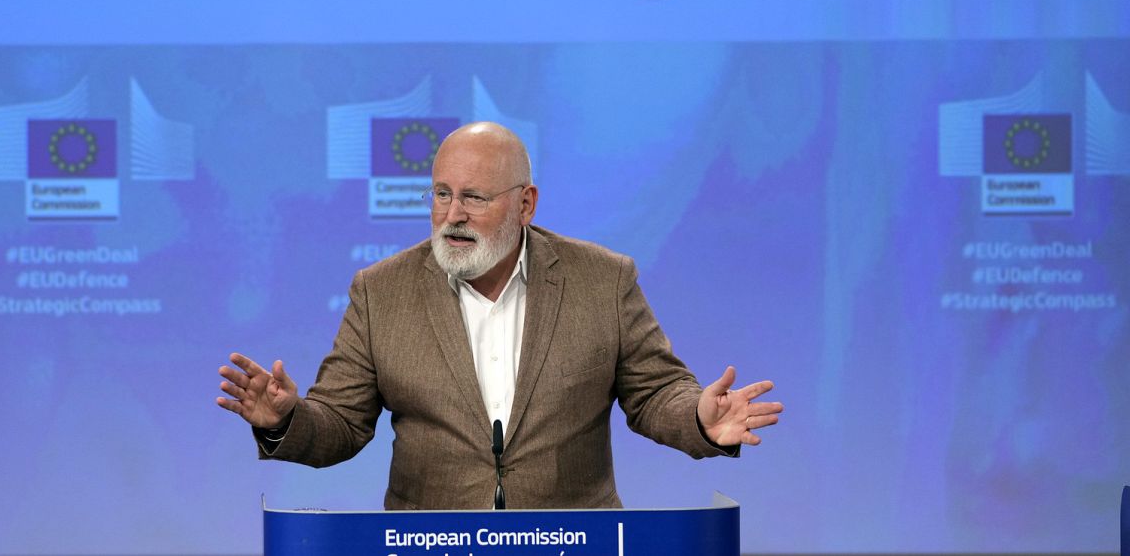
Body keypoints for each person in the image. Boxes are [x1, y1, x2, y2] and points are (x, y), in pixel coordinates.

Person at [217, 121, 782, 509]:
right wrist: (286, 420)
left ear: (526, 204)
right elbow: (341, 423)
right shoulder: (381, 291)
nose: (452, 215)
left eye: (474, 198)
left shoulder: (602, 280)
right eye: (441, 194)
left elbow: (655, 392)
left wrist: (701, 420)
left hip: (570, 541)